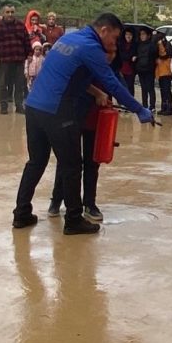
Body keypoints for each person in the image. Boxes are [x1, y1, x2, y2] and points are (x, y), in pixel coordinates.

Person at [12, 13, 153, 235]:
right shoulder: (91, 47)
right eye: (114, 38)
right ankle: (74, 220)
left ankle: (21, 214)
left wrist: (95, 91)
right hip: (57, 110)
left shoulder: (69, 39)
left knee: (36, 162)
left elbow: (70, 74)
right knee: (72, 166)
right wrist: (139, 109)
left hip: (34, 107)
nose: (114, 43)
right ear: (104, 30)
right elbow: (113, 84)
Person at [47, 47, 118, 222]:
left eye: (113, 52)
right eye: (107, 52)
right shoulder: (82, 66)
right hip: (72, 118)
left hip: (96, 120)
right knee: (68, 161)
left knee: (92, 162)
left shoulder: (110, 71)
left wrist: (137, 109)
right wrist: (96, 93)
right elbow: (74, 82)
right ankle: (57, 200)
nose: (110, 56)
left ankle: (89, 204)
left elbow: (120, 90)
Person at [0, 4, 30, 115]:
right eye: (7, 12)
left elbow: (26, 41)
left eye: (12, 12)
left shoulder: (21, 25)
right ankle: (3, 106)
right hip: (3, 60)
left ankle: (19, 106)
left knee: (19, 84)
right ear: (3, 13)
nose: (10, 14)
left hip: (18, 59)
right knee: (2, 84)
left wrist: (29, 55)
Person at [135, 28, 156, 111]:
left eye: (144, 34)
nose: (142, 36)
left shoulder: (152, 45)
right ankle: (144, 105)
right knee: (143, 88)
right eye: (141, 34)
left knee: (150, 87)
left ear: (148, 35)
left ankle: (152, 106)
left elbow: (155, 53)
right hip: (140, 69)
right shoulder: (138, 44)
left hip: (149, 69)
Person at [155, 34, 172, 116]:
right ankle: (164, 107)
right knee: (162, 90)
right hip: (160, 71)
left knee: (167, 90)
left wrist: (160, 44)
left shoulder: (167, 45)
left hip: (167, 71)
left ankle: (169, 108)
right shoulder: (156, 45)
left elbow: (164, 55)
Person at [117, 29, 137, 95]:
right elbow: (121, 55)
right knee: (121, 85)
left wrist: (134, 56)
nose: (128, 36)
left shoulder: (135, 45)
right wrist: (130, 57)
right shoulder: (120, 44)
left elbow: (136, 54)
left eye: (130, 35)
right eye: (127, 34)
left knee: (130, 86)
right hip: (121, 68)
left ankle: (131, 101)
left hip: (131, 69)